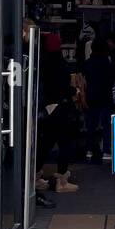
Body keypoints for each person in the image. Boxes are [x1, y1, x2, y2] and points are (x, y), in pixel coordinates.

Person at [36, 31, 79, 193]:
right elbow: (61, 87)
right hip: (60, 108)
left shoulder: (42, 60)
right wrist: (74, 90)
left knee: (46, 143)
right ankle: (61, 180)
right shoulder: (58, 62)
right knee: (64, 143)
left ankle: (35, 176)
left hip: (47, 108)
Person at [82, 38, 114, 161]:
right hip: (105, 96)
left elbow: (85, 80)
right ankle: (106, 151)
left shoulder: (88, 62)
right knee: (106, 125)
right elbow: (112, 78)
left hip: (91, 96)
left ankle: (89, 149)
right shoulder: (107, 62)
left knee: (91, 125)